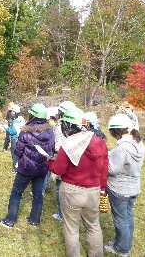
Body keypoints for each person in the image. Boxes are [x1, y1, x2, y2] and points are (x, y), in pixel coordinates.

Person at [47, 107, 108, 257]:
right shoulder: (99, 142)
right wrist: (103, 189)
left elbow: (59, 169)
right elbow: (104, 169)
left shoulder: (68, 144)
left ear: (68, 126)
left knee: (71, 228)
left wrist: (49, 162)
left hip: (71, 190)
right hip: (93, 191)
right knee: (93, 227)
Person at [0, 103, 55, 228]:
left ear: (32, 115)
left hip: (26, 168)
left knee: (16, 193)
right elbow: (52, 149)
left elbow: (18, 150)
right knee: (38, 195)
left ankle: (10, 220)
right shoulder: (50, 131)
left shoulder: (25, 131)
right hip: (42, 168)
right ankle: (34, 220)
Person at [104, 114, 145, 257]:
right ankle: (125, 243)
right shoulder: (138, 143)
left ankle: (122, 249)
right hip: (134, 187)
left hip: (120, 189)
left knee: (121, 219)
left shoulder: (122, 148)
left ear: (116, 132)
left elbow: (112, 169)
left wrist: (107, 158)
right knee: (128, 216)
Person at [51, 100, 76, 222]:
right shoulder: (77, 125)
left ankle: (62, 214)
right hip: (75, 158)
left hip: (61, 157)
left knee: (59, 187)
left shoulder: (60, 126)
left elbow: (57, 145)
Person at [4, 104, 22, 173]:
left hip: (15, 139)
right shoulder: (21, 119)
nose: (11, 113)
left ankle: (15, 169)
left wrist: (6, 128)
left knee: (14, 154)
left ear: (15, 112)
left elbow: (13, 132)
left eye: (12, 111)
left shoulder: (15, 121)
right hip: (19, 139)